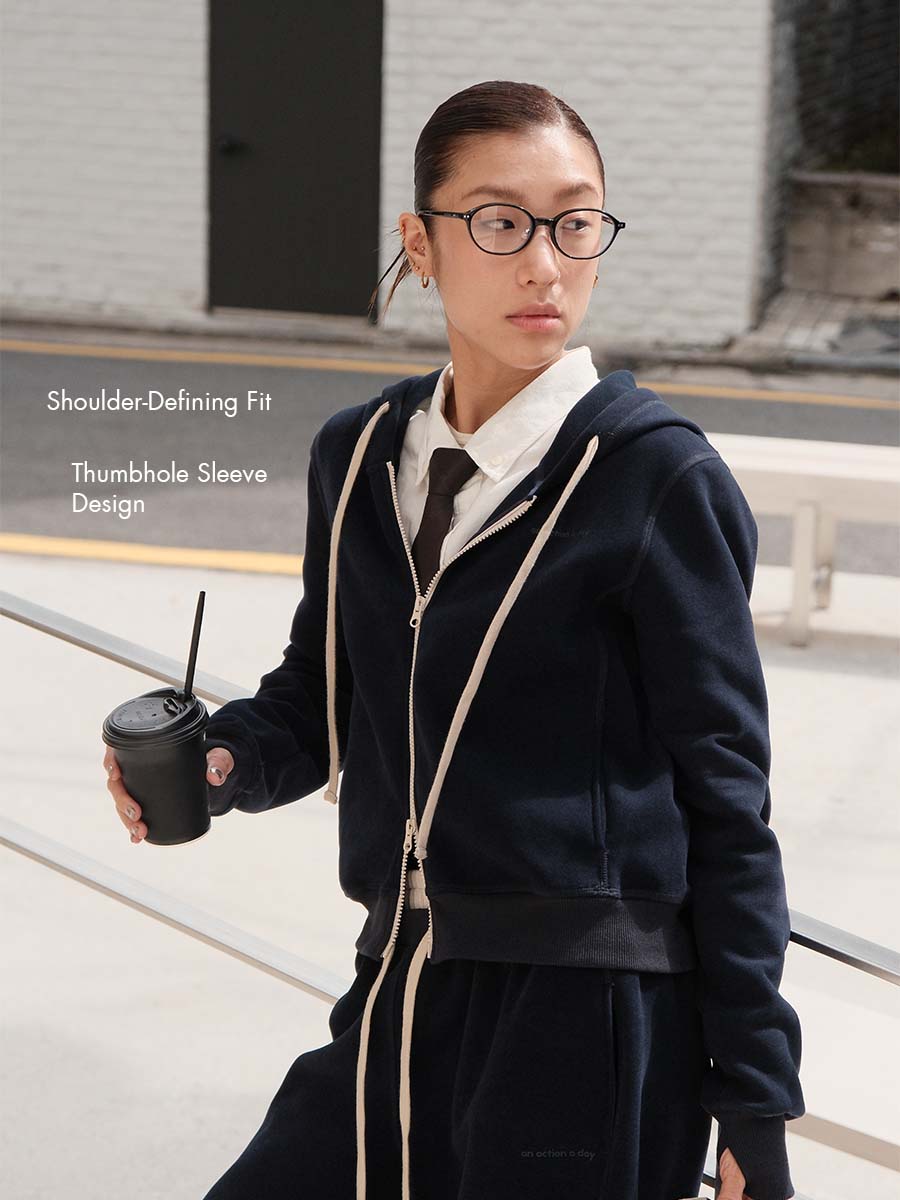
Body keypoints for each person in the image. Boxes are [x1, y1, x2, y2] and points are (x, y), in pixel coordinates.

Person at [104, 79, 805, 1200]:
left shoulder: (657, 478)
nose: (545, 264)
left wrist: (755, 1099)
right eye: (500, 222)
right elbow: (320, 696)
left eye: (576, 222)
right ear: (421, 242)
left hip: (586, 1021)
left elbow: (729, 804)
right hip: (398, 977)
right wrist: (221, 761)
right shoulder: (358, 454)